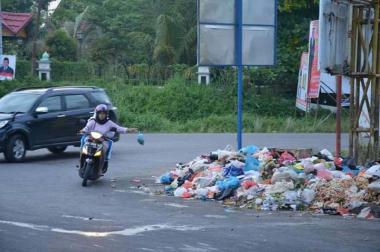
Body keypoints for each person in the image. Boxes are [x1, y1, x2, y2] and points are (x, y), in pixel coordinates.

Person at [80, 104, 137, 171]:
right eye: (100, 113)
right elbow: (86, 128)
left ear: (106, 114)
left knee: (103, 150)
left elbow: (119, 129)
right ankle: (82, 164)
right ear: (97, 114)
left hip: (103, 141)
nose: (102, 115)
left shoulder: (109, 123)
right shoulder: (92, 121)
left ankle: (100, 167)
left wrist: (129, 130)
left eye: (104, 113)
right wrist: (83, 130)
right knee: (84, 146)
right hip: (91, 139)